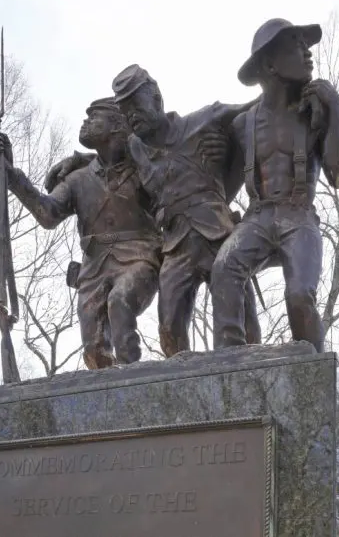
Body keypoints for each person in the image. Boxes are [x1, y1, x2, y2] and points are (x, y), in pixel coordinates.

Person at [0, 98, 161, 369]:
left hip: (140, 257)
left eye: (95, 118)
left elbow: (170, 193)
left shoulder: (144, 168)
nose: (86, 122)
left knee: (120, 301)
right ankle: (110, 396)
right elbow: (48, 214)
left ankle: (135, 380)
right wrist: (10, 173)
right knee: (93, 349)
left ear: (116, 126)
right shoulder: (78, 179)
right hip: (94, 269)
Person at [210, 19, 339, 352]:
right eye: (296, 45)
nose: (307, 53)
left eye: (307, 46)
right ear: (269, 64)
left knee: (300, 295)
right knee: (224, 269)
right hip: (257, 217)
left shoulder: (313, 109)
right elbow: (225, 185)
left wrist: (335, 109)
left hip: (298, 215)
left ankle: (317, 373)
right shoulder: (242, 124)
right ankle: (228, 369)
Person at [110, 64, 261, 356]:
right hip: (176, 246)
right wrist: (74, 161)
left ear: (156, 98)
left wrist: (232, 151)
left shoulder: (205, 120)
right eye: (125, 112)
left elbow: (256, 108)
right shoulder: (136, 150)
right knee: (169, 328)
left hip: (218, 234)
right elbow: (101, 162)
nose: (131, 117)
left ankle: (252, 380)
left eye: (135, 106)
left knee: (243, 320)